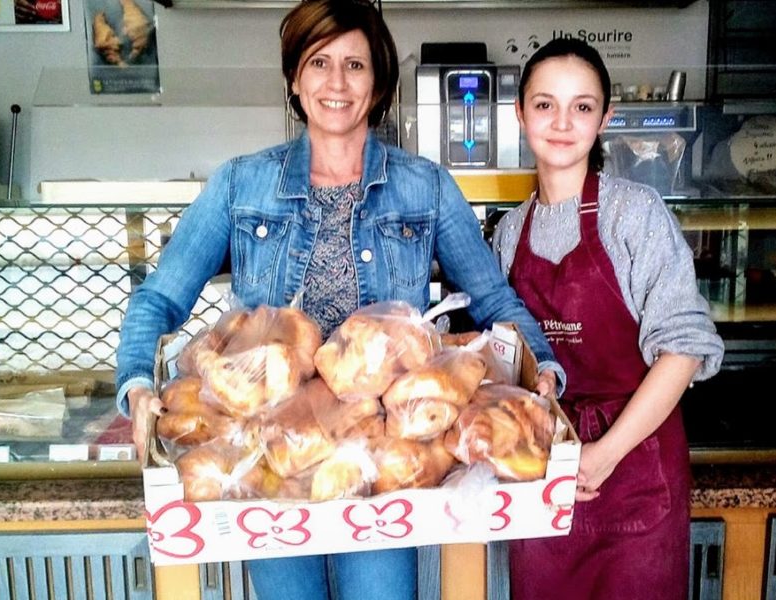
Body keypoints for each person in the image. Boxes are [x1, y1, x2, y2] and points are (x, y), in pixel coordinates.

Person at [114, 1, 563, 598]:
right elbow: (159, 299)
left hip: (382, 462)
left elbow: (491, 299)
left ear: (377, 83)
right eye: (319, 62)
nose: (336, 82)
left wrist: (543, 368)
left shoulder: (423, 186)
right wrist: (138, 384)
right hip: (269, 462)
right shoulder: (240, 184)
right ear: (294, 78)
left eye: (355, 65)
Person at [492, 38, 725, 600]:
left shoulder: (635, 212)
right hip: (544, 472)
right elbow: (508, 363)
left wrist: (603, 455)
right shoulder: (508, 232)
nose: (563, 122)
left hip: (634, 468)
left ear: (605, 118)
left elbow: (683, 348)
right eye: (545, 104)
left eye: (583, 106)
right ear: (521, 114)